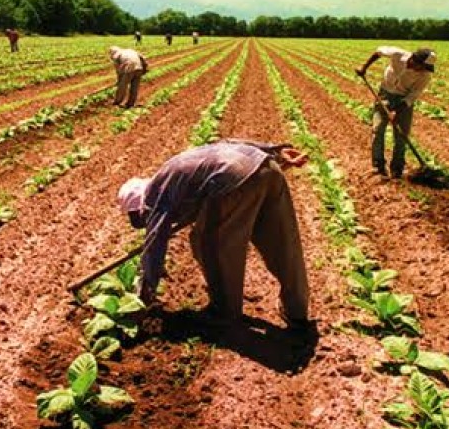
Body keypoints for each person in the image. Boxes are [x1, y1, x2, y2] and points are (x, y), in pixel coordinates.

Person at [116, 139, 311, 329]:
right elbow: (225, 143)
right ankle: (296, 309)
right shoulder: (175, 171)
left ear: (139, 207)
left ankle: (224, 311)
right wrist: (275, 153)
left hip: (234, 179)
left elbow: (154, 245)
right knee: (282, 242)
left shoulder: (155, 193)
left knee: (208, 243)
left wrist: (143, 296)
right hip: (267, 167)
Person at [355, 46, 436, 178]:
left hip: (403, 101)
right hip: (385, 94)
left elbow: (413, 95)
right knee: (377, 129)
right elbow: (378, 52)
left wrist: (397, 111)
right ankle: (378, 167)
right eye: (422, 66)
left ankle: (397, 169)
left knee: (401, 135)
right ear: (415, 60)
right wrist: (364, 68)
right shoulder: (398, 55)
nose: (423, 70)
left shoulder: (425, 76)